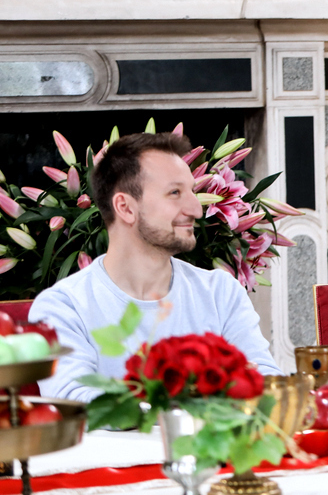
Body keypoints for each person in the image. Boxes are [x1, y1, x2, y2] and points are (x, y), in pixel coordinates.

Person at [30, 132, 281, 401]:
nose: (197, 209)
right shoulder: (63, 307)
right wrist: (197, 395)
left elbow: (265, 383)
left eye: (192, 191)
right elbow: (75, 401)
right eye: (175, 193)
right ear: (125, 208)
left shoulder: (221, 292)